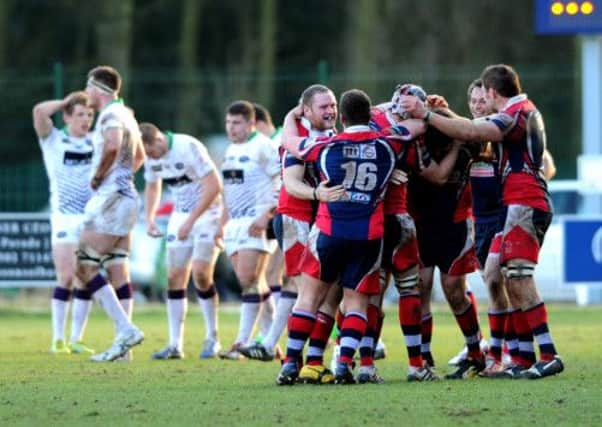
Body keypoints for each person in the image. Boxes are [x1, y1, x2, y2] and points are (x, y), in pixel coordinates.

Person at [401, 63, 563, 379]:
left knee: (517, 276)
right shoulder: (521, 110)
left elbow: (475, 131)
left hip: (525, 202)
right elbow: (474, 126)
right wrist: (443, 114)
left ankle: (548, 353)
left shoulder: (514, 114)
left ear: (491, 92)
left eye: (482, 97)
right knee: (500, 274)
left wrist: (428, 115)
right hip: (515, 204)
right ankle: (521, 357)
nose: (478, 104)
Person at [276, 89, 421, 385]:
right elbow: (417, 126)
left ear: (341, 118)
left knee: (308, 298)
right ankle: (344, 364)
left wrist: (291, 117)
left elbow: (288, 142)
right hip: (368, 236)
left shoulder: (326, 144)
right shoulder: (388, 144)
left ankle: (291, 363)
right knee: (356, 303)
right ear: (370, 117)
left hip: (330, 231)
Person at [239, 89, 342, 374]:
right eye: (323, 106)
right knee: (306, 287)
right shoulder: (297, 142)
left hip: (320, 218)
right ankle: (295, 355)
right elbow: (292, 183)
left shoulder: (331, 136)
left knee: (323, 288)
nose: (330, 110)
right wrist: (318, 193)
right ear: (306, 111)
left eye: (333, 105)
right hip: (295, 218)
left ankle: (291, 350)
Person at [76, 65, 145, 362]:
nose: (86, 93)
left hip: (112, 198)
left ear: (97, 88)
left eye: (88, 87)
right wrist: (122, 179)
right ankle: (123, 348)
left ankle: (125, 329)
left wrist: (101, 176)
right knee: (117, 266)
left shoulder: (111, 115)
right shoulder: (128, 114)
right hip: (126, 195)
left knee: (84, 263)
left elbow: (114, 145)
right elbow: (139, 156)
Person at [141, 123, 223, 359]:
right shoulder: (150, 155)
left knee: (200, 273)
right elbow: (152, 184)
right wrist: (150, 218)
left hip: (208, 214)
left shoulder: (188, 146)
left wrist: (192, 221)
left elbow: (214, 185)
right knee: (174, 277)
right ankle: (175, 344)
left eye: (151, 152)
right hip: (180, 216)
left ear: (158, 140)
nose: (150, 158)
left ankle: (212, 338)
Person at [33, 91, 96, 355]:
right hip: (63, 217)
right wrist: (65, 102)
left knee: (87, 276)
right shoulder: (54, 139)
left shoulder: (96, 141)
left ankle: (77, 338)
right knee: (67, 275)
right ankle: (57, 339)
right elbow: (39, 111)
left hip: (91, 218)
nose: (86, 120)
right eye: (80, 114)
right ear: (68, 117)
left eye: (90, 114)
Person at [218, 100, 280, 359]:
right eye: (229, 122)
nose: (231, 128)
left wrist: (267, 216)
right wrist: (222, 223)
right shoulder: (231, 150)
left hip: (256, 223)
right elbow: (228, 189)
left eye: (237, 123)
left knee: (248, 281)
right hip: (234, 225)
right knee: (258, 285)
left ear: (251, 123)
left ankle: (240, 343)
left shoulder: (264, 147)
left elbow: (283, 182)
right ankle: (271, 344)